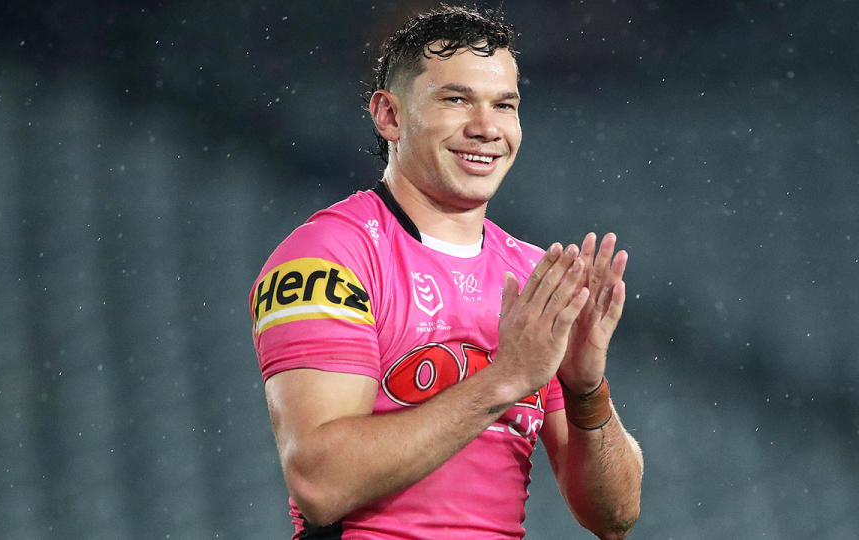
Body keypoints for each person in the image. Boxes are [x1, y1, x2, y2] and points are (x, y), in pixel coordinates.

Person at [250, 5, 643, 539]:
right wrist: (505, 379)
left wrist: (586, 388)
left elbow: (615, 518)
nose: (486, 128)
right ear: (388, 115)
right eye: (456, 100)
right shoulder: (328, 259)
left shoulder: (533, 277)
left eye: (504, 105)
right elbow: (320, 485)